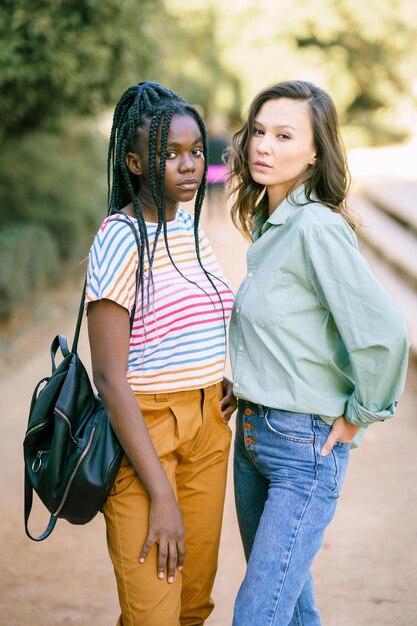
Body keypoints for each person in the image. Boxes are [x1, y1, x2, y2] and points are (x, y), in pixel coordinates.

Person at [226, 80, 410, 626]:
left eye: (284, 135)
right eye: (259, 131)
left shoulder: (317, 228)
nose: (264, 145)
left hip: (301, 449)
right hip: (253, 439)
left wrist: (361, 416)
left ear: (314, 152)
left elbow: (384, 333)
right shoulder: (271, 226)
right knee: (294, 611)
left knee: (256, 616)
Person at [85, 81, 235, 626]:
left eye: (196, 151)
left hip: (207, 429)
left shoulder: (188, 228)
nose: (189, 164)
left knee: (193, 605)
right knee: (153, 615)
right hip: (144, 435)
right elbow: (108, 375)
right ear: (134, 161)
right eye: (169, 154)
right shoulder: (121, 237)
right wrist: (161, 496)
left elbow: (209, 317)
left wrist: (222, 383)